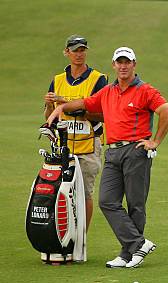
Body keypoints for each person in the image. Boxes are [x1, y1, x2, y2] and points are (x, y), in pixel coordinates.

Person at [47, 46, 168, 268]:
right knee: (107, 201)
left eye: (128, 62)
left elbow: (167, 112)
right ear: (114, 65)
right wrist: (63, 107)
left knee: (135, 204)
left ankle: (128, 254)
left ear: (134, 64)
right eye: (120, 62)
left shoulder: (145, 90)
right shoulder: (108, 91)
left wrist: (154, 142)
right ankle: (138, 245)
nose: (123, 66)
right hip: (113, 151)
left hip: (136, 151)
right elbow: (86, 103)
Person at [44, 34, 107, 232]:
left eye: (82, 50)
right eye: (75, 50)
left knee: (85, 193)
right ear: (66, 52)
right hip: (63, 147)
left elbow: (104, 114)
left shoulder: (98, 79)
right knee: (61, 193)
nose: (79, 54)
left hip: (89, 145)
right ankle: (63, 234)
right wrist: (49, 105)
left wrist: (69, 106)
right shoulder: (57, 80)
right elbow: (49, 117)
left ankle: (81, 240)